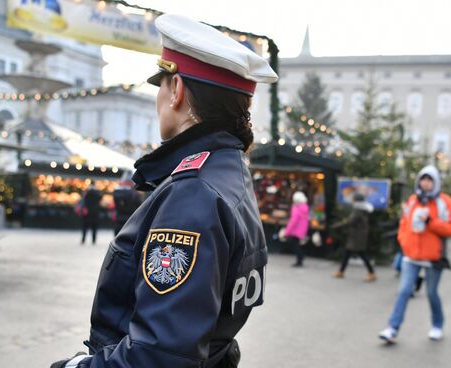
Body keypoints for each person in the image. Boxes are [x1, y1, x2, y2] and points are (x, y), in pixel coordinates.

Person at [50, 14, 278, 368]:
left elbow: (158, 356)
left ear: (177, 90)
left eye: (161, 84)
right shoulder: (229, 173)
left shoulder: (194, 194)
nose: (159, 96)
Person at [378, 165, 451, 343]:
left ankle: (437, 325)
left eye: (430, 179)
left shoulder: (444, 201)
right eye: (424, 179)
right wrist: (403, 241)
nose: (426, 183)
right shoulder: (413, 200)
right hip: (411, 255)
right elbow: (404, 223)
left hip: (433, 257)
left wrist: (431, 222)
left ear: (436, 182)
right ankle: (392, 328)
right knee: (404, 291)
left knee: (432, 293)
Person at [332, 193, 376, 281]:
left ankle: (372, 273)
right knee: (347, 254)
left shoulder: (358, 210)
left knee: (361, 254)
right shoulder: (362, 209)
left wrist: (337, 225)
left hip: (357, 237)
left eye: (354, 199)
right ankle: (341, 271)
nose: (352, 201)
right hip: (357, 236)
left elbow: (350, 221)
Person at [284, 191, 310, 267]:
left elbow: (293, 221)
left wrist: (287, 231)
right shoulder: (305, 207)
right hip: (302, 229)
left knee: (295, 245)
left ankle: (300, 258)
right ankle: (300, 258)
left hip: (295, 230)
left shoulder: (296, 208)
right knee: (297, 244)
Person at [81, 181, 102, 245]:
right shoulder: (97, 193)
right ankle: (94, 240)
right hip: (95, 212)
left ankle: (83, 239)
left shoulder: (86, 193)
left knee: (85, 227)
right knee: (94, 227)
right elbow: (100, 198)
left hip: (87, 213)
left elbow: (83, 201)